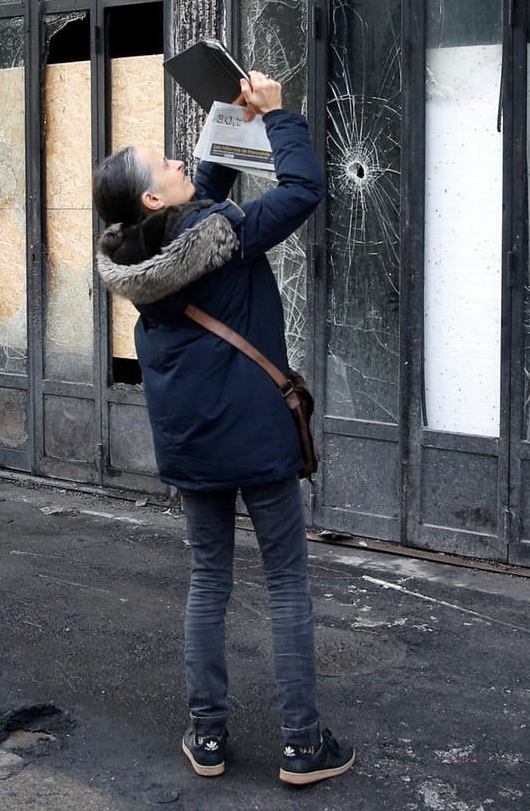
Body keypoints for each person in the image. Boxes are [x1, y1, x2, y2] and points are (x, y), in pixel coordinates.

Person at [92, 69, 354, 787]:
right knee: (287, 582)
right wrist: (276, 115)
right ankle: (302, 745)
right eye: (167, 163)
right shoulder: (223, 235)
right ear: (152, 196)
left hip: (193, 440)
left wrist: (224, 121)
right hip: (259, 435)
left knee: (208, 579)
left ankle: (206, 735)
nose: (181, 160)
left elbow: (199, 194)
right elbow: (302, 190)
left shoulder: (136, 250)